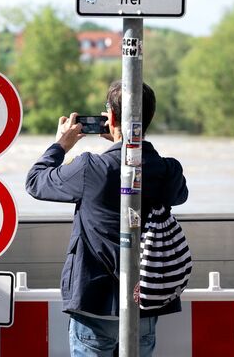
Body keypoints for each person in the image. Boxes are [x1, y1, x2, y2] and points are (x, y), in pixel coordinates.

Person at [25, 81, 188, 357]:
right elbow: (178, 194)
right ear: (148, 117)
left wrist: (60, 145)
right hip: (144, 305)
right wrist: (126, 146)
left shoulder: (91, 168)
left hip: (95, 303)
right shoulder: (168, 170)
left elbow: (35, 182)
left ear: (110, 118)